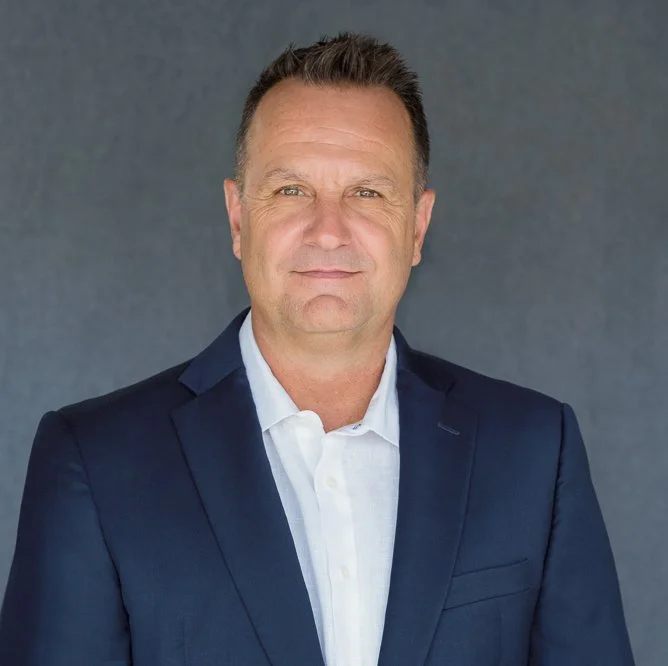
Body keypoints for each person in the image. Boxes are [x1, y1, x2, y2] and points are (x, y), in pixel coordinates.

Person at [0, 32, 635, 666]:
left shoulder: (534, 452)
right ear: (238, 218)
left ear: (417, 226)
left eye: (367, 193)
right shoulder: (95, 461)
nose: (328, 231)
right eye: (290, 190)